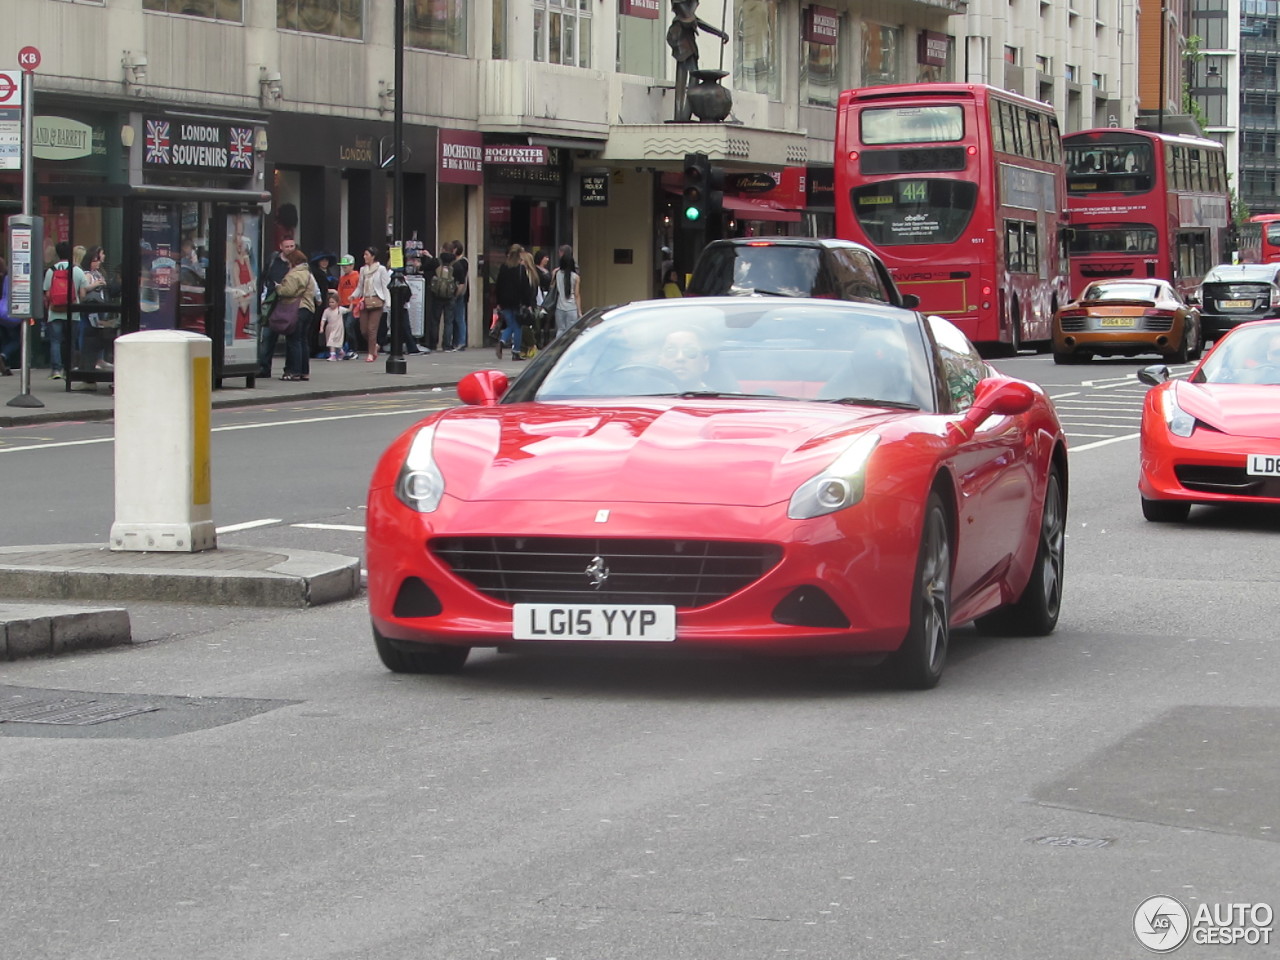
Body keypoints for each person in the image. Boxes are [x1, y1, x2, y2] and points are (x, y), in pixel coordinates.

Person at [667, 0, 729, 122]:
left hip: (689, 50)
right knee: (684, 79)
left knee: (691, 79)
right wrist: (720, 33)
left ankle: (684, 114)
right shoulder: (680, 20)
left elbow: (699, 23)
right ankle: (681, 115)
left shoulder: (686, 17)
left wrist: (720, 33)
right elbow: (693, 22)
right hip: (684, 50)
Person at [268, 247, 316, 381]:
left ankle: (293, 371)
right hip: (308, 308)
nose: (287, 264)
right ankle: (304, 371)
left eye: (289, 261)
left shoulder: (295, 274)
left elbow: (287, 291)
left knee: (293, 341)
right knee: (302, 341)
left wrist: (278, 287)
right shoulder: (307, 273)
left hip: (297, 309)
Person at [41, 242, 84, 380]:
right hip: (73, 312)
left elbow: (47, 294)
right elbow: (82, 294)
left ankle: (56, 370)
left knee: (56, 341)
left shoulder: (51, 270)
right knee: (71, 341)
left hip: (55, 311)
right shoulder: (77, 270)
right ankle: (69, 369)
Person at [77, 246, 112, 381]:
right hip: (91, 306)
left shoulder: (99, 272)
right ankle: (86, 361)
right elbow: (84, 290)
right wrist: (96, 284)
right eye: (95, 260)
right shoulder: (86, 274)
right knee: (89, 332)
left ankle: (99, 359)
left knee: (100, 331)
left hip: (101, 304)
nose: (98, 263)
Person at [494, 243, 534, 362]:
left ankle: (502, 341)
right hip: (518, 302)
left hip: (505, 301)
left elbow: (498, 285)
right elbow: (525, 287)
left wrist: (498, 301)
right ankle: (516, 351)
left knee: (511, 324)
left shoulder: (503, 267)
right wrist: (527, 303)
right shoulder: (521, 269)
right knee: (517, 327)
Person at [355, 246, 391, 362]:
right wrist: (353, 295)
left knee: (372, 329)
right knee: (364, 330)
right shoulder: (363, 270)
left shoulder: (381, 269)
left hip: (377, 301)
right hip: (365, 301)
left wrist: (388, 302)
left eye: (367, 255)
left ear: (373, 256)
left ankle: (371, 353)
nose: (364, 257)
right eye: (364, 255)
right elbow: (360, 286)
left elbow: (385, 286)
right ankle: (374, 345)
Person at [428, 249, 456, 352]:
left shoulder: (437, 268)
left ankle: (433, 344)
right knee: (448, 322)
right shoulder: (455, 269)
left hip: (437, 297)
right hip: (450, 297)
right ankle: (446, 345)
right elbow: (459, 284)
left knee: (435, 321)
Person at [553, 248, 583, 338]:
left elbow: (552, 286)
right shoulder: (575, 277)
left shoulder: (557, 274)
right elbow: (577, 295)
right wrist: (579, 311)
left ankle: (559, 348)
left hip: (560, 307)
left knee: (560, 329)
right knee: (571, 332)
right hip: (572, 308)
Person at [336, 254, 361, 358]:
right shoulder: (342, 278)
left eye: (346, 266)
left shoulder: (357, 276)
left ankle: (353, 349)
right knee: (344, 327)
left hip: (354, 304)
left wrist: (356, 303)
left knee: (349, 325)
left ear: (352, 265)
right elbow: (339, 291)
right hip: (343, 305)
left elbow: (359, 290)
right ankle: (347, 348)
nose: (344, 268)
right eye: (343, 266)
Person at [447, 240, 469, 352]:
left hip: (459, 293)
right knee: (456, 318)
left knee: (459, 318)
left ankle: (461, 342)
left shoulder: (461, 263)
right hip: (459, 292)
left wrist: (457, 294)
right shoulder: (459, 262)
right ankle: (457, 341)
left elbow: (462, 281)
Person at [0, 255, 17, 376]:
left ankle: (5, 365)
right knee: (16, 339)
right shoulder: (8, 277)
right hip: (10, 313)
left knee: (5, 338)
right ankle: (4, 356)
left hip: (1, 312)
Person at [320, 292, 346, 361]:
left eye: (333, 302)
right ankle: (341, 351)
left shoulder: (340, 309)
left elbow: (349, 310)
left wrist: (352, 303)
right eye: (330, 302)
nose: (331, 304)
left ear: (337, 303)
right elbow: (323, 319)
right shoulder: (326, 311)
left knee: (332, 341)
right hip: (330, 328)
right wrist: (321, 328)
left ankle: (333, 355)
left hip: (338, 328)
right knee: (332, 341)